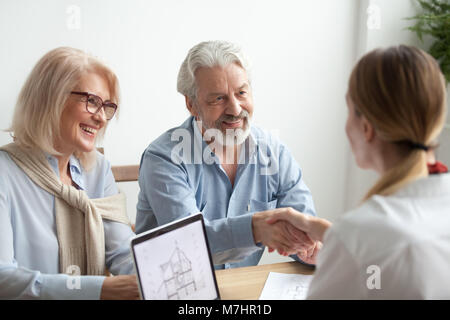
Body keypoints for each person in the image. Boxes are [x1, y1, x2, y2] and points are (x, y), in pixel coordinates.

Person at [266, 45, 450, 299]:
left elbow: (375, 246)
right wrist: (323, 231)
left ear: (366, 128)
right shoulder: (367, 236)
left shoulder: (362, 235)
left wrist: (344, 241)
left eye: (349, 110)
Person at [135, 40, 318, 269]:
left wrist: (309, 248)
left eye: (241, 93)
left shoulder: (274, 152)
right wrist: (254, 229)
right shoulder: (163, 159)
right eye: (218, 99)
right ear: (191, 105)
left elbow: (305, 231)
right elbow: (190, 246)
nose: (235, 109)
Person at [0, 47, 139, 299]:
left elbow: (122, 252)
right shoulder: (4, 172)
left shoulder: (98, 168)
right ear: (49, 99)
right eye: (92, 101)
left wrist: (153, 274)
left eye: (106, 106)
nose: (101, 118)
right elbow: (3, 279)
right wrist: (99, 290)